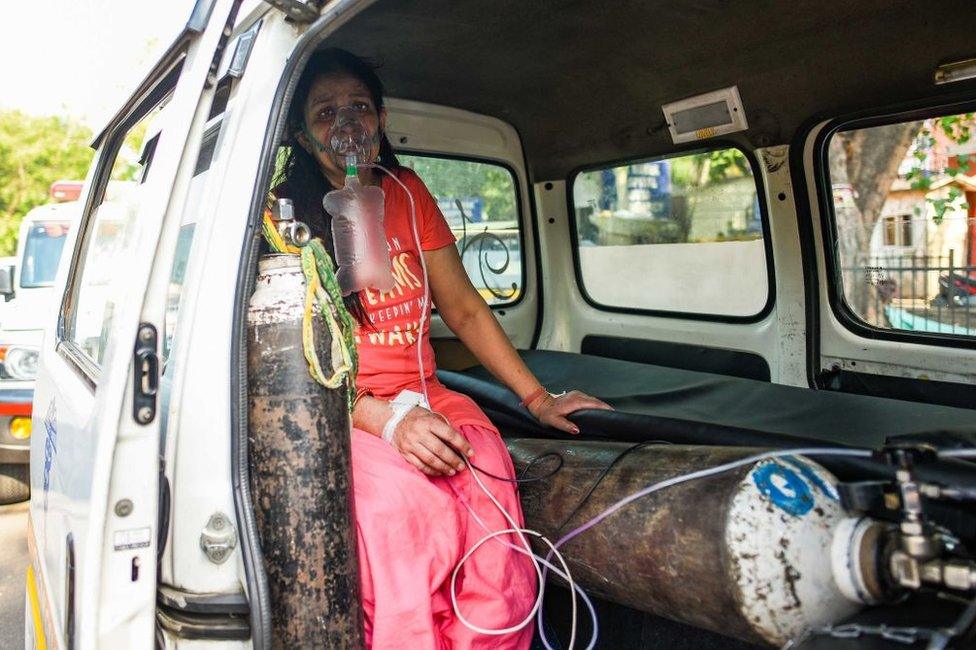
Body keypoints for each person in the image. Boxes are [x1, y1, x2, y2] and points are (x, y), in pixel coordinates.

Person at [275, 48, 612, 649]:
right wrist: (385, 420)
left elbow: (463, 307)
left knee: (489, 502)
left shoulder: (407, 192)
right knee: (407, 515)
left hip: (429, 394)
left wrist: (537, 399)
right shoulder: (284, 225)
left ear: (380, 117)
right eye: (325, 113)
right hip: (347, 411)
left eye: (358, 106)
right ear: (302, 135)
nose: (345, 124)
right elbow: (291, 366)